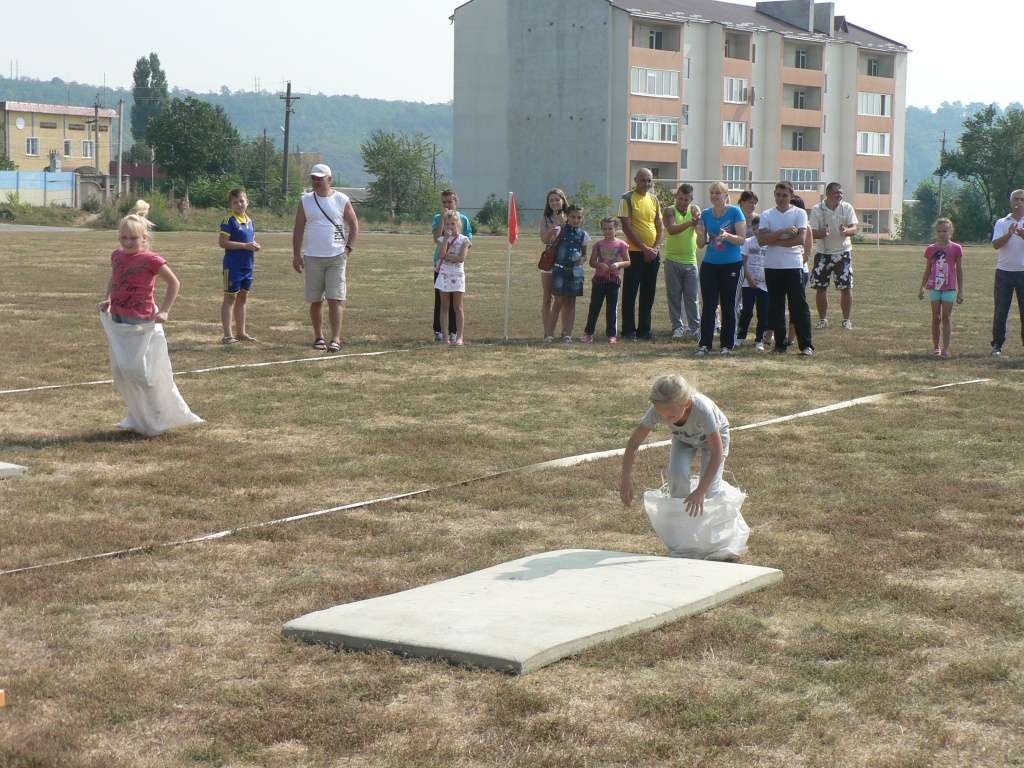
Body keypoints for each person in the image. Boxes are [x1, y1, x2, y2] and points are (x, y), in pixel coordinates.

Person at [98, 214, 201, 436]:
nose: (127, 242)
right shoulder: (117, 255)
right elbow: (115, 278)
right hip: (119, 319)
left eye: (133, 238)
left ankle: (158, 413)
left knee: (142, 372)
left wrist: (164, 310)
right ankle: (139, 414)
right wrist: (108, 298)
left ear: (144, 238)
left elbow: (174, 283)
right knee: (124, 371)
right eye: (123, 237)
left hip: (141, 321)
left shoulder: (152, 259)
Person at [620, 373, 729, 516]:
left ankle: (709, 524)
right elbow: (633, 444)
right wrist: (625, 482)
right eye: (661, 415)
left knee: (709, 494)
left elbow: (717, 453)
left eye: (671, 416)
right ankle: (681, 518)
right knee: (677, 473)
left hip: (714, 441)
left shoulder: (703, 411)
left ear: (687, 404)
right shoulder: (658, 411)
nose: (666, 419)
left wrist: (701, 491)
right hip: (684, 438)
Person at [292, 164, 359, 353]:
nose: (316, 181)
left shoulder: (341, 199)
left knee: (334, 298)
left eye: (320, 178)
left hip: (336, 257)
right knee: (316, 300)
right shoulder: (305, 201)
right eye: (313, 178)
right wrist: (296, 255)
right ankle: (319, 337)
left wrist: (348, 250)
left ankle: (336, 338)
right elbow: (298, 229)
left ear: (329, 179)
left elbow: (354, 225)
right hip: (313, 257)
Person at [758, 181, 813, 355]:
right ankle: (780, 345)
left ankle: (805, 345)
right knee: (776, 306)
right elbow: (761, 240)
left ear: (791, 196)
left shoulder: (799, 213)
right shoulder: (767, 214)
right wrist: (782, 231)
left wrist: (773, 240)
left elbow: (800, 239)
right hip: (772, 266)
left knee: (798, 306)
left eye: (785, 195)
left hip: (793, 265)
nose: (781, 198)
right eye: (778, 195)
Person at [695, 182, 746, 355]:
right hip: (710, 264)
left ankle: (727, 345)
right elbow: (700, 244)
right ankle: (705, 344)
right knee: (708, 306)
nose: (714, 196)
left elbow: (741, 239)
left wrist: (727, 236)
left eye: (718, 192)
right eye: (712, 193)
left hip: (731, 264)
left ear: (725, 195)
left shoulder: (735, 212)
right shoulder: (706, 213)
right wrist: (700, 235)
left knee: (729, 305)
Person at [618, 168, 664, 341]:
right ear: (636, 180)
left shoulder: (654, 200)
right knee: (630, 292)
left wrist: (655, 249)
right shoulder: (626, 198)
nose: (646, 184)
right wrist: (644, 248)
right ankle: (628, 330)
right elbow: (626, 226)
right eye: (643, 180)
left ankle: (644, 329)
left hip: (652, 254)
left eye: (649, 180)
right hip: (634, 253)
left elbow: (660, 226)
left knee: (648, 292)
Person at [809, 182, 859, 330]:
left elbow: (854, 228)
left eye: (841, 193)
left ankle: (846, 320)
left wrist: (846, 231)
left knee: (846, 287)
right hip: (823, 253)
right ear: (828, 194)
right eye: (836, 193)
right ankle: (823, 320)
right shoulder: (817, 209)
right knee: (821, 287)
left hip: (842, 253)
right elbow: (811, 232)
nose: (839, 195)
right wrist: (823, 233)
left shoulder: (847, 207)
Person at [918, 218, 964, 359]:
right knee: (935, 317)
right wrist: (922, 287)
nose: (942, 234)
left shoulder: (956, 248)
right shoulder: (931, 249)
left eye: (945, 231)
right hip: (934, 286)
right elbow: (928, 270)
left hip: (949, 287)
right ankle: (936, 346)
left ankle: (946, 348)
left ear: (951, 231)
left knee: (946, 317)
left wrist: (961, 291)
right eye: (939, 231)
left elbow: (959, 270)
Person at [219, 188, 261, 344]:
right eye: (235, 202)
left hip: (247, 266)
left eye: (241, 201)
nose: (239, 204)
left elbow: (249, 241)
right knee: (230, 298)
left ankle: (241, 333)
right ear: (231, 205)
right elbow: (223, 242)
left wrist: (254, 245)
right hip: (233, 266)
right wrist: (245, 246)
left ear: (247, 202)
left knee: (243, 298)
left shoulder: (250, 221)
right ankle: (227, 335)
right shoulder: (230, 221)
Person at [432, 189, 473, 342]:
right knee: (441, 301)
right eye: (444, 202)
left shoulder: (463, 219)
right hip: (441, 266)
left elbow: (469, 239)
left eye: (450, 201)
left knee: (456, 303)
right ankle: (440, 331)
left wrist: (461, 251)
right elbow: (436, 238)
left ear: (456, 201)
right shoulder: (438, 218)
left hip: (456, 267)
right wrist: (442, 221)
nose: (447, 205)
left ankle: (454, 332)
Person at [582, 216, 631, 343]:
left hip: (614, 280)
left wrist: (618, 264)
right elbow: (592, 262)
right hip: (599, 280)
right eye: (604, 229)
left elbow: (627, 261)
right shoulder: (598, 245)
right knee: (594, 306)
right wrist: (600, 265)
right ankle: (588, 333)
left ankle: (611, 334)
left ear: (616, 229)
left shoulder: (622, 245)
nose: (607, 231)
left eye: (610, 229)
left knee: (612, 307)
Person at [663, 183, 702, 339]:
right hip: (672, 260)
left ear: (691, 199)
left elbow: (698, 213)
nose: (682, 202)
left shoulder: (694, 210)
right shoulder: (669, 211)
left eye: (686, 200)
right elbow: (672, 229)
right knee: (674, 296)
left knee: (692, 297)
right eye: (680, 198)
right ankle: (677, 327)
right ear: (676, 196)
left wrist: (696, 217)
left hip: (690, 261)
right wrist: (691, 222)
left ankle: (695, 327)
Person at [989, 189, 1024, 356]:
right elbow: (996, 245)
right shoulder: (1002, 222)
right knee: (1001, 310)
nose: (1019, 202)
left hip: (1023, 272)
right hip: (1004, 272)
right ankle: (997, 344)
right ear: (1011, 202)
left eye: (1022, 199)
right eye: (1016, 199)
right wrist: (1009, 234)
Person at [550, 204, 590, 342]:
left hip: (575, 272)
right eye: (573, 217)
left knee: (571, 302)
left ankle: (568, 334)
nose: (576, 220)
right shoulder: (560, 231)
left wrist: (582, 259)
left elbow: (585, 254)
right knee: (558, 301)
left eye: (579, 217)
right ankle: (549, 334)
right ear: (567, 216)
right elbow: (548, 243)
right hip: (560, 269)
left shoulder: (583, 235)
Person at [540, 189, 569, 342]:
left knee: (563, 298)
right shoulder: (546, 218)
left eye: (557, 200)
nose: (554, 203)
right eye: (551, 200)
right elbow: (544, 239)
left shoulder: (570, 216)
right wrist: (555, 225)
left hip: (564, 260)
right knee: (547, 297)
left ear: (563, 200)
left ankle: (564, 331)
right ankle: (547, 332)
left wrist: (563, 221)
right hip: (549, 259)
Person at [737, 213, 769, 352]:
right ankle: (740, 336)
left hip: (765, 285)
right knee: (747, 311)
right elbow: (743, 262)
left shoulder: (770, 243)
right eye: (754, 228)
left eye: (759, 229)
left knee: (763, 313)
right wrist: (749, 279)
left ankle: (760, 339)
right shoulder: (748, 242)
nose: (756, 232)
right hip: (748, 283)